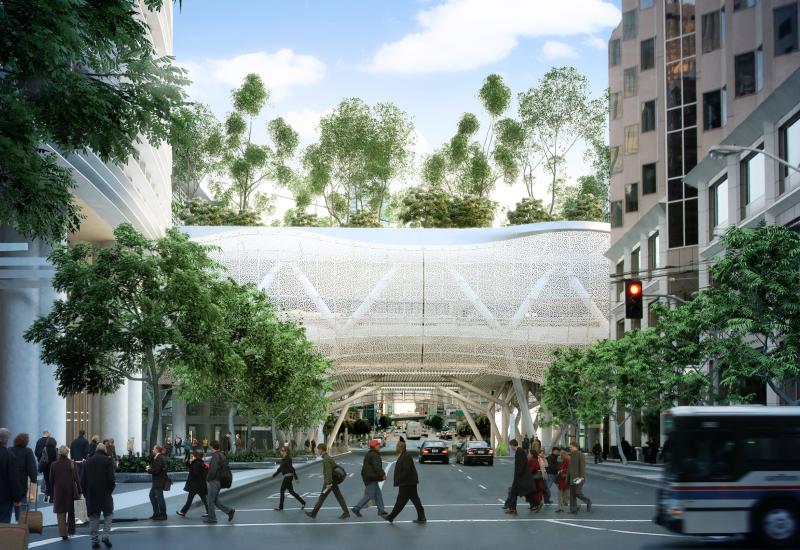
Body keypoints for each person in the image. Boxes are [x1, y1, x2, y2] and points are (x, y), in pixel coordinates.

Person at [383, 440, 425, 524]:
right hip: (409, 482)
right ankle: (422, 517)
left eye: (397, 446)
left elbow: (406, 470)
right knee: (415, 500)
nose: (396, 447)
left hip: (407, 483)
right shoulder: (404, 455)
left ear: (400, 447)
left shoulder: (406, 456)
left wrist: (399, 479)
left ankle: (391, 517)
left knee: (401, 501)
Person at [84, 443, 115, 549]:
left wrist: (85, 493)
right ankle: (105, 535)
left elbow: (83, 479)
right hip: (105, 492)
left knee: (94, 516)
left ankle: (94, 540)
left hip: (92, 493)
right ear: (105, 450)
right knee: (108, 514)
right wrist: (110, 491)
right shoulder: (108, 461)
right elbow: (111, 479)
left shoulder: (88, 461)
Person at [306, 443, 349, 519]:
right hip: (333, 481)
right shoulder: (327, 457)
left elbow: (328, 472)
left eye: (318, 449)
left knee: (322, 497)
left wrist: (328, 483)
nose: (317, 451)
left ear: (321, 450)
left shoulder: (326, 459)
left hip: (330, 482)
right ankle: (346, 512)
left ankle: (313, 514)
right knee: (339, 496)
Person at [50, 445, 80, 540]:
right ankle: (70, 531)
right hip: (69, 490)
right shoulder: (72, 463)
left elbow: (51, 480)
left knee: (60, 512)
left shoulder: (54, 464)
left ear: (59, 453)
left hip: (58, 490)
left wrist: (53, 489)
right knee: (70, 511)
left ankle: (63, 533)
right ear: (67, 453)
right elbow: (76, 478)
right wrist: (80, 490)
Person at [352, 439, 387, 517]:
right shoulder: (374, 455)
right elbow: (377, 467)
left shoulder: (369, 454)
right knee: (369, 495)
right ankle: (357, 508)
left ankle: (381, 510)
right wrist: (383, 474)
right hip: (371, 477)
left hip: (369, 476)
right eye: (378, 445)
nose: (379, 446)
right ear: (374, 446)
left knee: (378, 494)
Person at [206, 439, 235, 524]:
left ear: (211, 446)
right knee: (215, 500)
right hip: (220, 480)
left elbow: (213, 469)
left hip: (214, 480)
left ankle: (212, 518)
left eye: (209, 446)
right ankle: (229, 511)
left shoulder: (215, 456)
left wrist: (208, 478)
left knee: (210, 500)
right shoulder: (222, 454)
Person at [10, 433, 37, 521]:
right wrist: (33, 479)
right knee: (21, 503)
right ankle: (19, 524)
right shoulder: (27, 451)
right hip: (21, 482)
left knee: (7, 505)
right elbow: (32, 468)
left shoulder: (9, 450)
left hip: (8, 482)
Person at [0, 428, 24, 524]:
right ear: (6, 440)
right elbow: (13, 479)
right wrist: (17, 498)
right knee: (3, 523)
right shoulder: (9, 455)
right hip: (4, 496)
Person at [505, 439, 534, 515]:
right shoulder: (519, 451)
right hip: (520, 476)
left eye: (510, 445)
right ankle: (512, 508)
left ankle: (513, 508)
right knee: (516, 492)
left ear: (512, 445)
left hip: (519, 476)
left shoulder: (519, 451)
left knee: (515, 492)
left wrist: (518, 476)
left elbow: (521, 465)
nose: (510, 447)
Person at [273, 446, 305, 511]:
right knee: (291, 492)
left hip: (288, 477)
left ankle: (280, 507)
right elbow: (280, 469)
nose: (281, 451)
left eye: (282, 450)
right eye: (281, 450)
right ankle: (303, 502)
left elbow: (292, 468)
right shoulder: (283, 459)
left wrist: (296, 478)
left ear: (286, 451)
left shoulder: (288, 459)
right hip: (287, 477)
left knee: (282, 490)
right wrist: (274, 475)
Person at [177, 451, 208, 517]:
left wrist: (191, 467)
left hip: (196, 485)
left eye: (193, 456)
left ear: (196, 456)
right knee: (202, 499)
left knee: (199, 499)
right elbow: (191, 467)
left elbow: (195, 473)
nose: (192, 457)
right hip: (198, 485)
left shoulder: (196, 463)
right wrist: (187, 462)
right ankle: (183, 512)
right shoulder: (198, 462)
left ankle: (183, 512)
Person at [568, 441, 592, 514]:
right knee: (572, 494)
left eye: (571, 447)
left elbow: (582, 466)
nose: (570, 448)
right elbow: (570, 467)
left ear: (575, 446)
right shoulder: (571, 455)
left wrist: (582, 477)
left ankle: (588, 501)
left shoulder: (580, 455)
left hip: (579, 478)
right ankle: (573, 509)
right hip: (572, 478)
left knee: (577, 492)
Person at [145, 445, 168, 520]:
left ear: (157, 450)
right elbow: (158, 468)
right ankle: (156, 513)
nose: (152, 450)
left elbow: (156, 470)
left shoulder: (159, 458)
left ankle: (162, 514)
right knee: (152, 496)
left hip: (158, 481)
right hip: (158, 481)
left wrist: (148, 470)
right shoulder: (159, 457)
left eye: (153, 449)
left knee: (159, 498)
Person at [40, 436, 58, 503]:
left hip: (46, 468)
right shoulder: (56, 449)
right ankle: (52, 499)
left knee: (47, 483)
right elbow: (57, 460)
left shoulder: (45, 449)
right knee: (52, 483)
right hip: (53, 468)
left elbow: (43, 459)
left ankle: (46, 497)